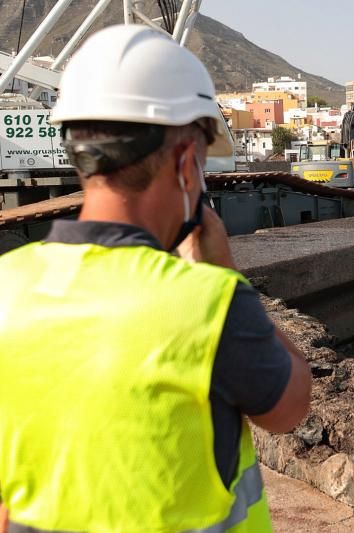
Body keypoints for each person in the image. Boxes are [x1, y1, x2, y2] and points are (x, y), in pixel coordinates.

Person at [0, 25, 311, 532]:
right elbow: (290, 407)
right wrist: (223, 272)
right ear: (188, 164)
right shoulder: (206, 305)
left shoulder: (6, 287)